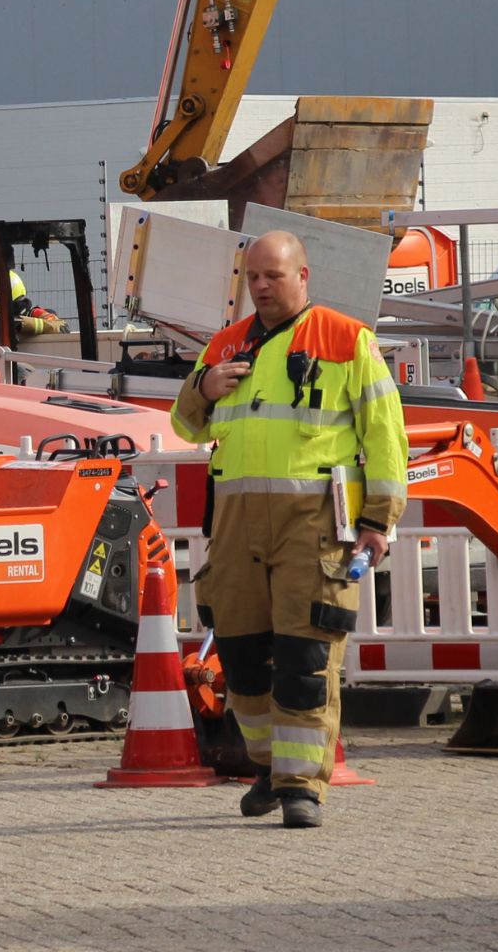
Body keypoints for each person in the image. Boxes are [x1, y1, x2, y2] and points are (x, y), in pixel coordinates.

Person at [169, 231, 405, 830]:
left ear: (304, 275)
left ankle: (303, 788)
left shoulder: (348, 341)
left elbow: (385, 438)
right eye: (253, 278)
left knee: (305, 661)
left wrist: (379, 521)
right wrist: (203, 387)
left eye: (274, 276)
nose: (262, 287)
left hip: (315, 530)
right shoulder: (225, 345)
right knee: (242, 664)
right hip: (237, 530)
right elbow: (184, 424)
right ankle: (272, 769)